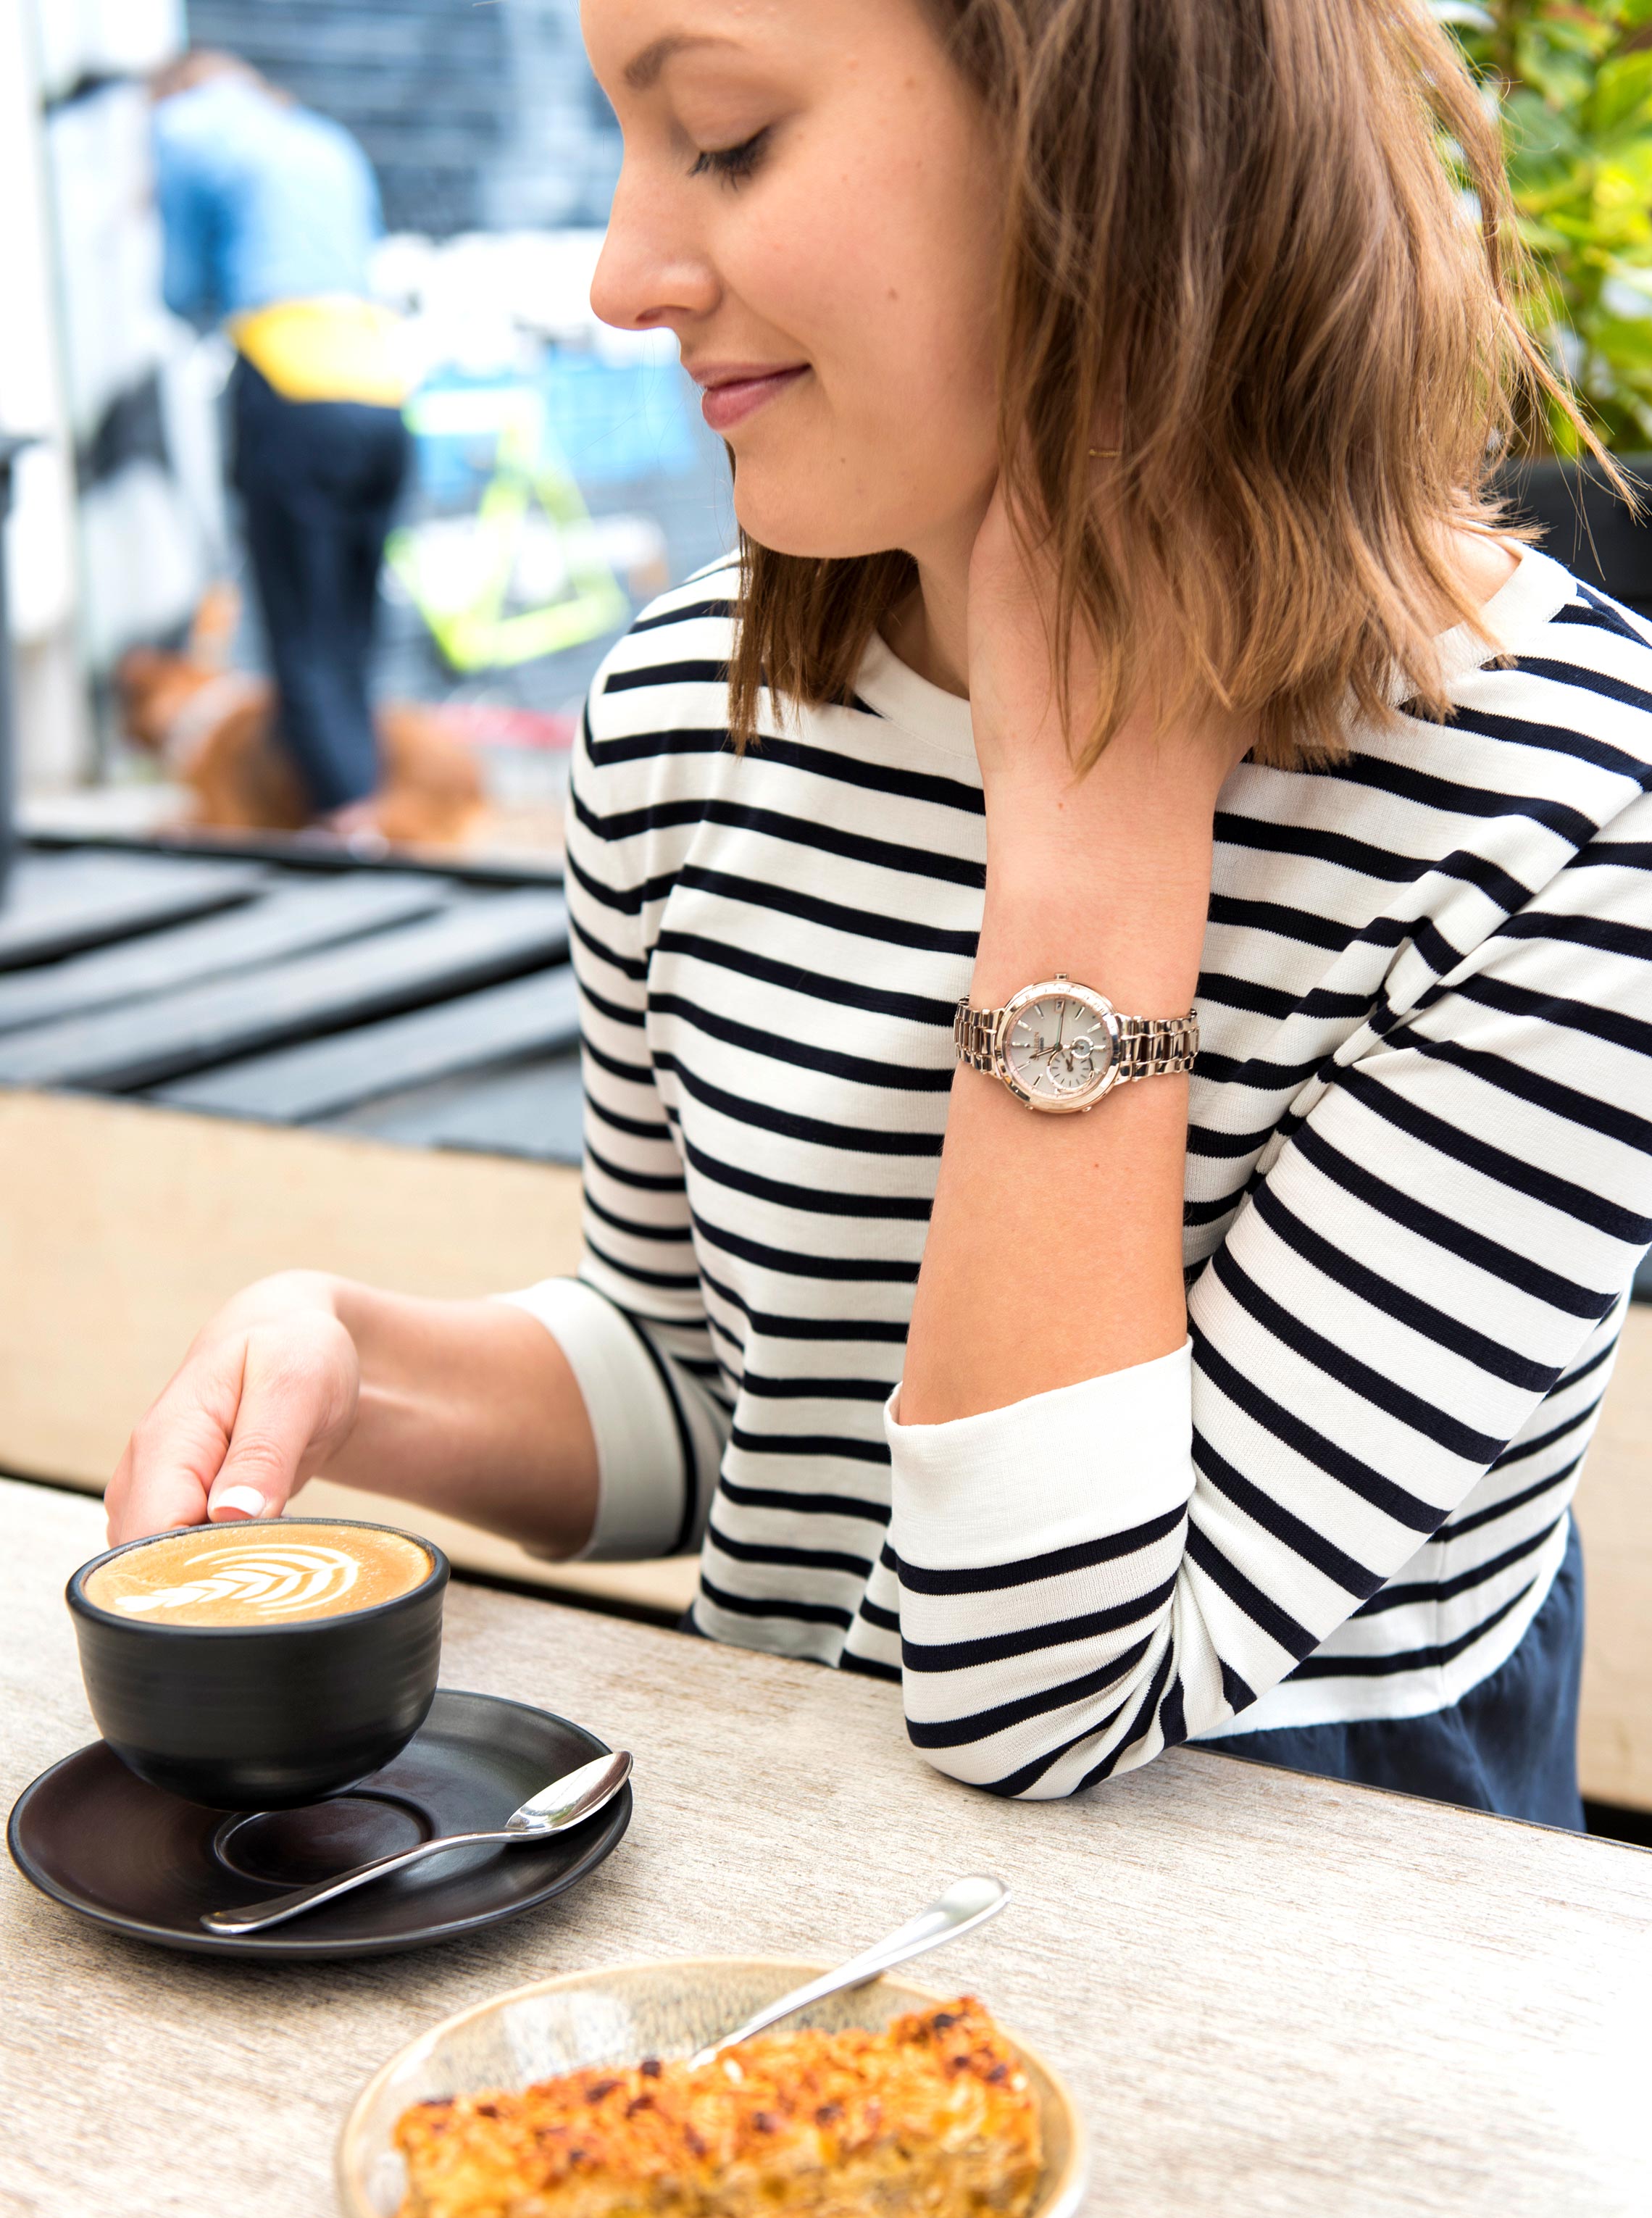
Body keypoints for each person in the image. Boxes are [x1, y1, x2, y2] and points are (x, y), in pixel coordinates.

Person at [109, 0, 1652, 1827]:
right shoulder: (693, 710)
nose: (622, 277)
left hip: (1314, 2004)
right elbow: (722, 1392)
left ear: (1111, 149)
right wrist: (367, 1366)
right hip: (800, 1935)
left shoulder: (1560, 815)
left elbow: (1042, 1690)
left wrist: (1081, 864)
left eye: (730, 138)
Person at [150, 51, 411, 838]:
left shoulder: (180, 126)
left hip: (288, 378)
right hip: (380, 379)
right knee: (356, 620)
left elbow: (178, 285)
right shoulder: (322, 137)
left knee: (298, 616)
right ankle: (365, 791)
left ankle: (342, 816)